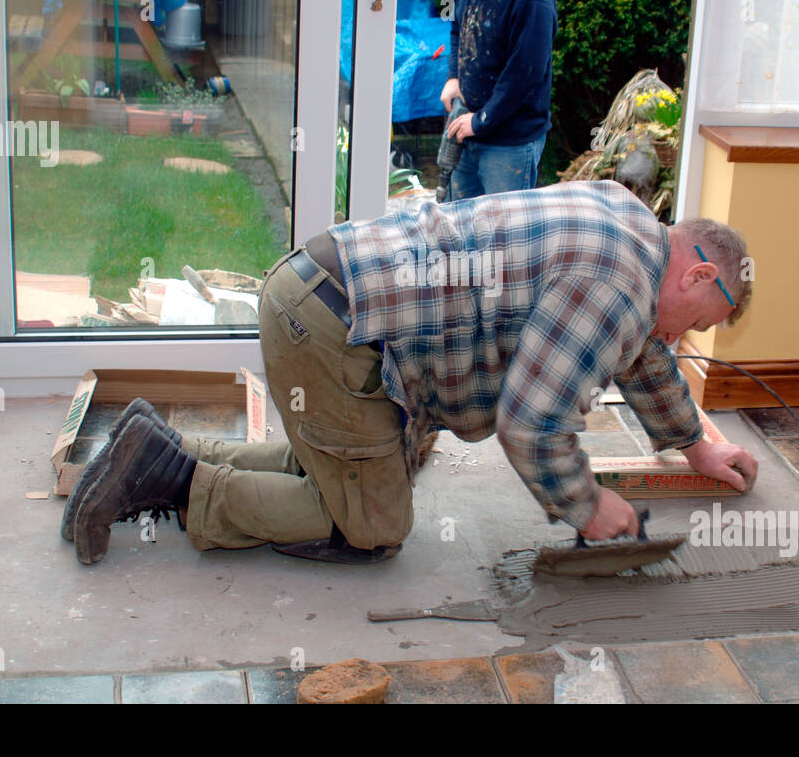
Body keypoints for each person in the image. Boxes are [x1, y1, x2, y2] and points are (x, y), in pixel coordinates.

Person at [65, 181, 757, 566]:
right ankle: (182, 484)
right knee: (371, 525)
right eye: (695, 319)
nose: (679, 336)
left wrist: (699, 446)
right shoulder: (619, 282)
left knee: (338, 471)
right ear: (698, 271)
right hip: (337, 336)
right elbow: (533, 423)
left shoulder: (629, 219)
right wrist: (589, 504)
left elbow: (643, 354)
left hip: (322, 295)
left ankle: (160, 449)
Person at [438, 0, 557, 200]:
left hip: (510, 142)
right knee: (460, 228)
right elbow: (457, 30)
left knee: (503, 239)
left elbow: (524, 77)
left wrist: (481, 121)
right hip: (467, 127)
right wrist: (454, 77)